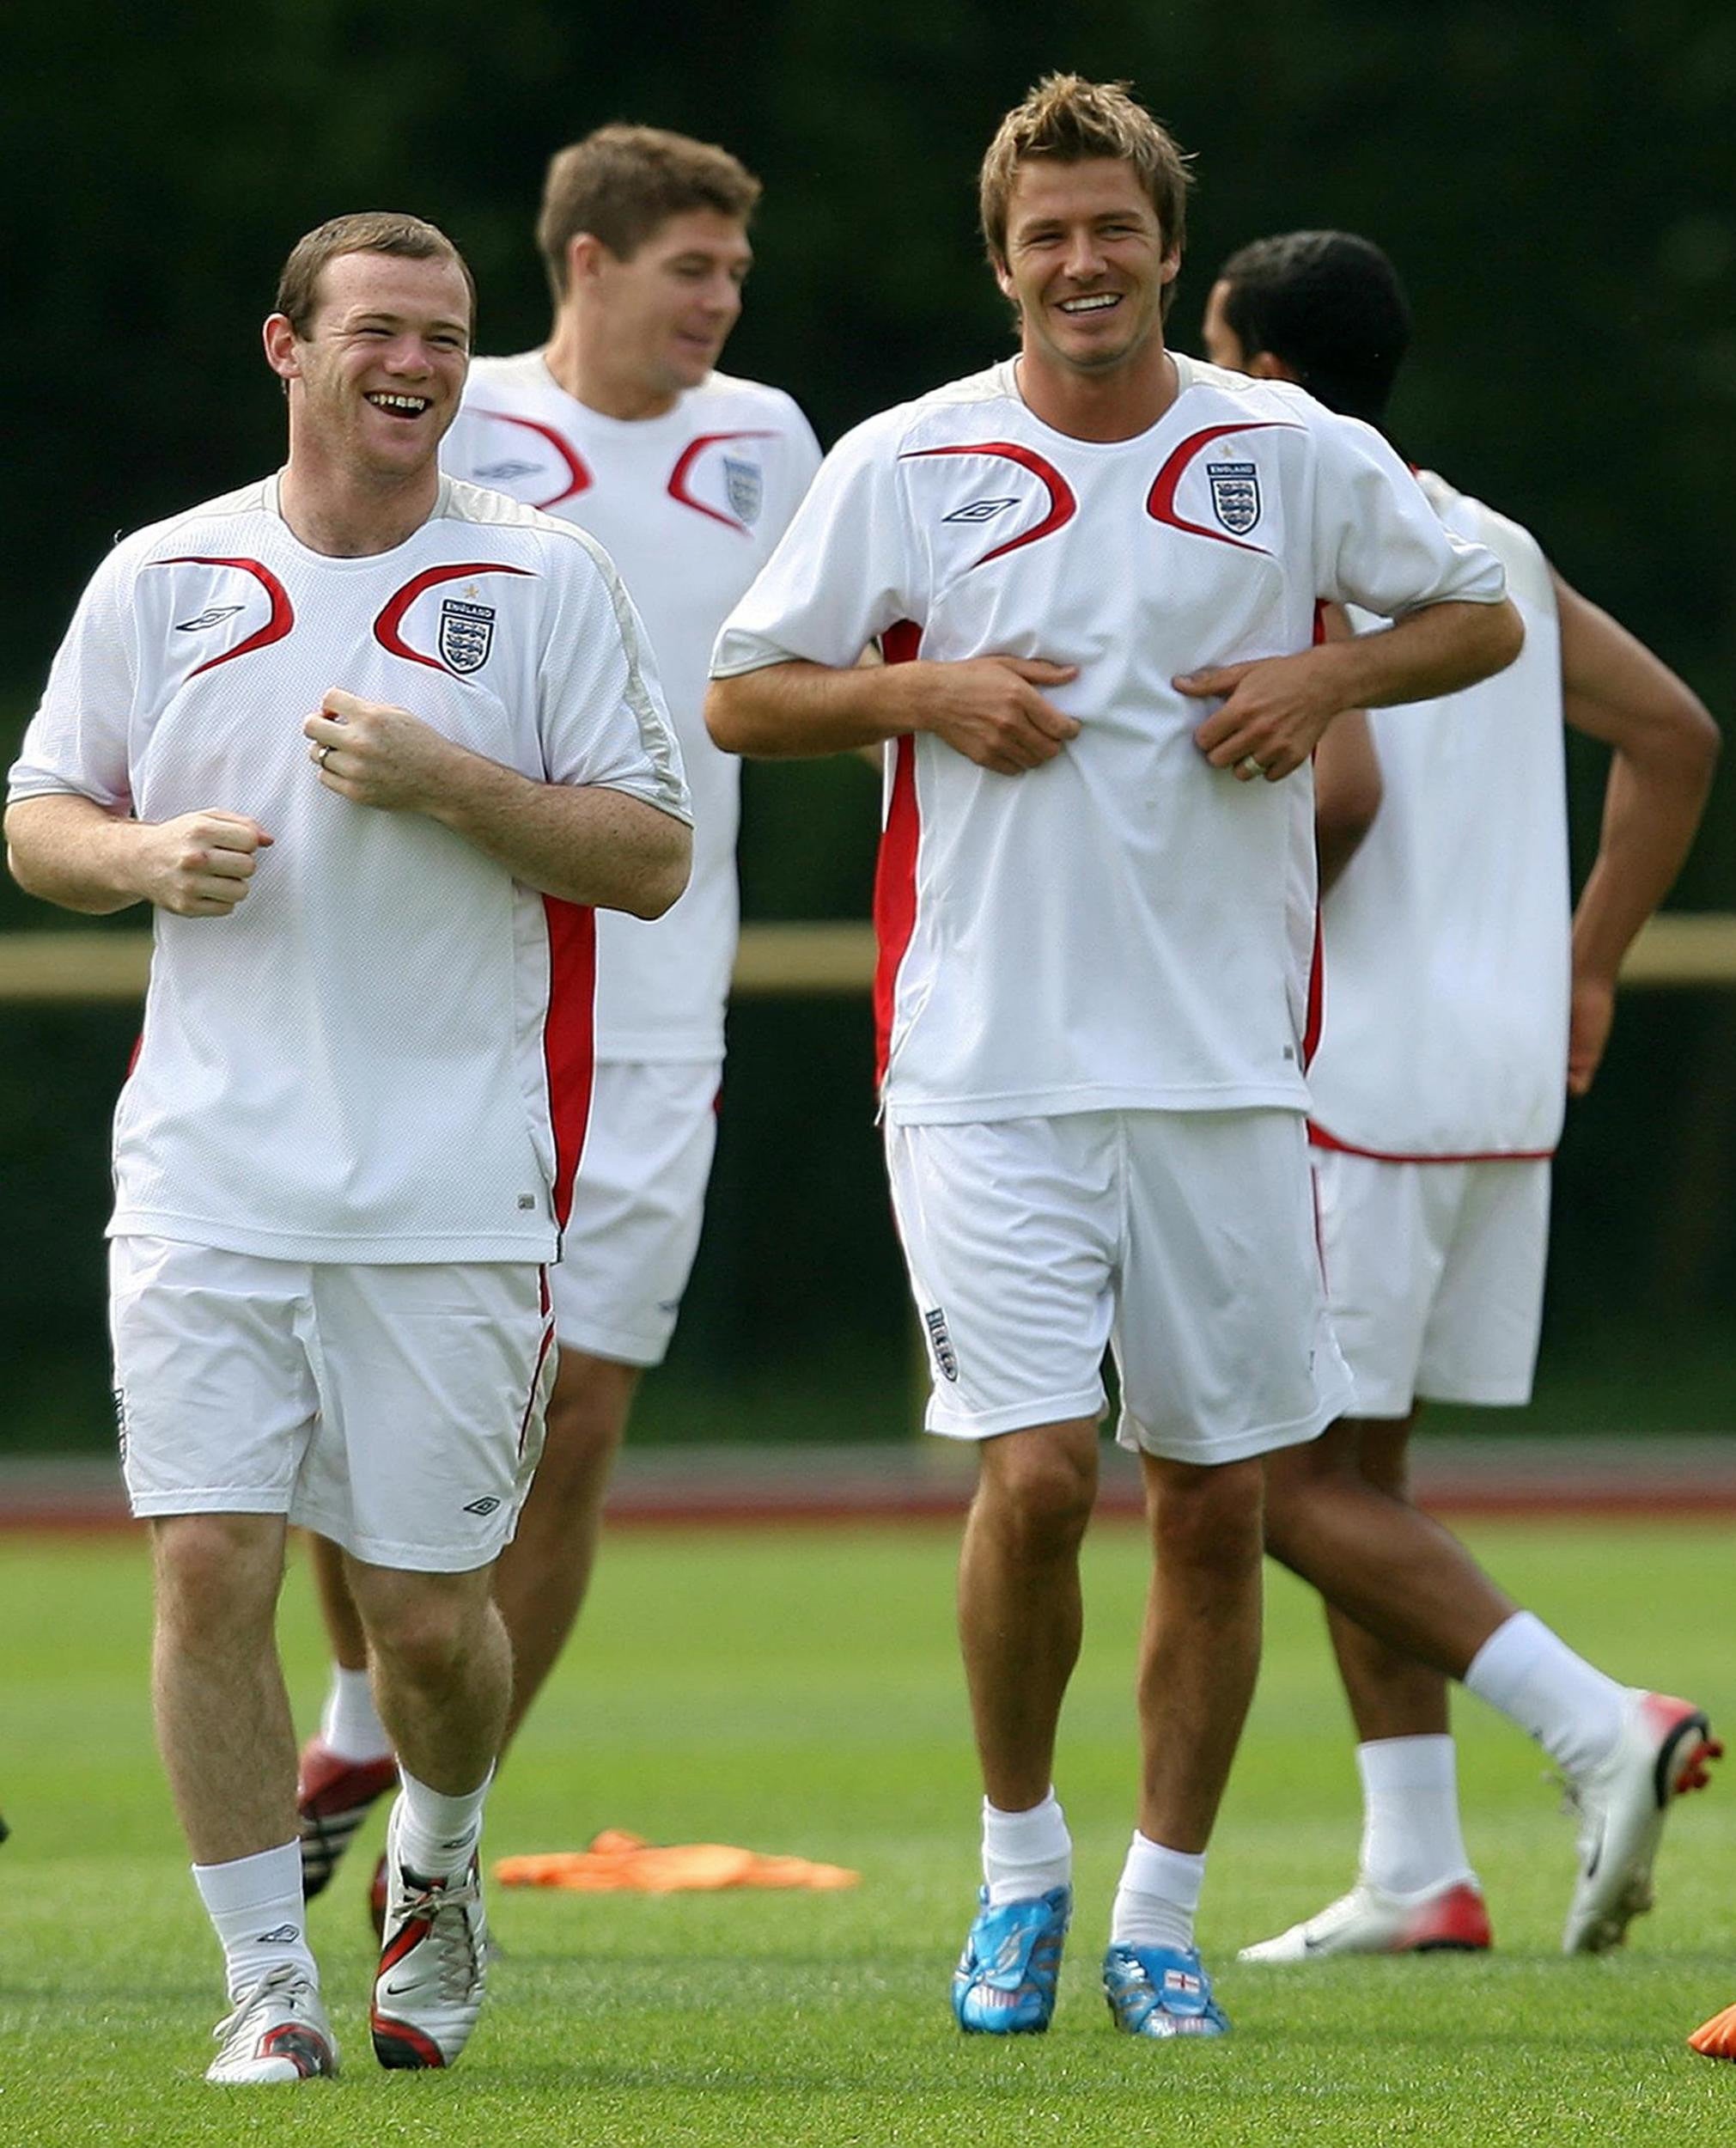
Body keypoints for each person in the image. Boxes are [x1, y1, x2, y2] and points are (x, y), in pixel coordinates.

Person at [706, 76, 1523, 2041]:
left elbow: (1481, 616)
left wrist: (1333, 668)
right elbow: (741, 695)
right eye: (1048, 233)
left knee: (1221, 1498)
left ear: (1169, 242)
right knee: (1042, 1473)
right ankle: (1019, 1879)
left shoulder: (1286, 447)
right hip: (984, 1056)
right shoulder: (913, 459)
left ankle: (1162, 1910)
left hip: (1233, 1064)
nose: (1086, 261)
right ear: (1004, 261)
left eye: (1116, 227)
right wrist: (926, 688)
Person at [3, 212, 691, 2083]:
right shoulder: (166, 574)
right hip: (210, 1171)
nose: (421, 363)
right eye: (383, 329)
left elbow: (649, 852)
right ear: (286, 349)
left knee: (427, 1618)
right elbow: (41, 812)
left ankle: (441, 1861)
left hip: (455, 1182)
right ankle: (264, 1987)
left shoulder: (542, 580)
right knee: (210, 1564)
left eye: (450, 337)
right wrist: (143, 858)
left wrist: (449, 780)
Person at [291, 127, 821, 1915]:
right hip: (441, 970)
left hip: (661, 978)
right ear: (585, 265)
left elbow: (804, 674)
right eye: (691, 267)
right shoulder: (456, 414)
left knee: (579, 1404)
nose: (721, 302)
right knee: (346, 1392)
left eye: (735, 274)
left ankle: (435, 1838)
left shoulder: (771, 444)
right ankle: (367, 1705)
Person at [1197, 230, 1721, 1962]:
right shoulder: (1485, 537)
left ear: (1263, 375)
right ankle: (1418, 1864)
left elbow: (1335, 794)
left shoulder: (1301, 534)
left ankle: (1598, 1723)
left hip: (1353, 1068)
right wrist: (1586, 962)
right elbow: (1676, 735)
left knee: (1254, 1476)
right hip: (1497, 1071)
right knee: (1366, 1465)